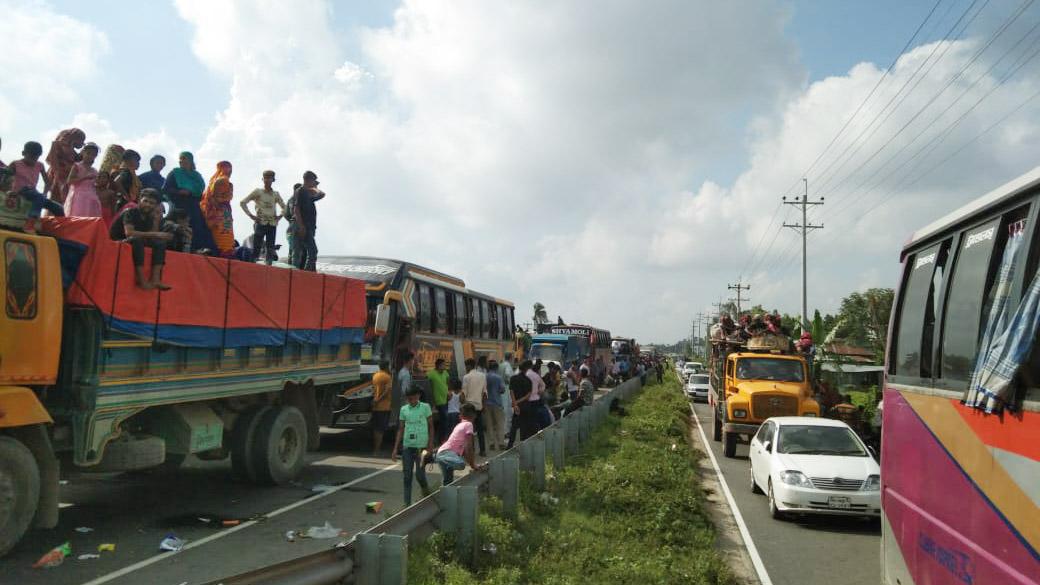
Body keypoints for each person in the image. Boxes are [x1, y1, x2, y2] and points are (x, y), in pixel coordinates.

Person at [109, 189, 171, 290]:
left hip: (136, 240)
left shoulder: (149, 216)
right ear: (139, 200)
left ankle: (155, 279)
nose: (148, 205)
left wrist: (156, 221)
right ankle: (141, 278)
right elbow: (129, 233)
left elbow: (152, 236)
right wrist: (156, 234)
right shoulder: (130, 212)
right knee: (137, 240)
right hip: (118, 241)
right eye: (145, 201)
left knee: (160, 243)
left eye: (151, 203)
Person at [163, 151, 216, 253]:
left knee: (199, 228)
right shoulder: (174, 173)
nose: (181, 161)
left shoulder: (197, 177)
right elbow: (165, 189)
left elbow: (201, 192)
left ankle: (199, 250)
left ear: (191, 161)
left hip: (194, 207)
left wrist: (191, 193)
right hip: (178, 207)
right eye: (180, 158)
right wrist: (179, 191)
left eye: (184, 158)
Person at [391, 386, 433, 506]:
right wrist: (395, 448)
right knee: (407, 477)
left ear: (418, 396)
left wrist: (430, 444)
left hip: (421, 447)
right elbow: (401, 429)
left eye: (414, 398)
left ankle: (427, 494)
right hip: (407, 447)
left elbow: (431, 426)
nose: (412, 400)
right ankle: (407, 504)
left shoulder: (425, 407)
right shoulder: (404, 409)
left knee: (420, 476)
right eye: (409, 399)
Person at [10, 141, 62, 233]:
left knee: (58, 207)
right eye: (31, 157)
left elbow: (47, 182)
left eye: (36, 157)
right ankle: (30, 223)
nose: (33, 160)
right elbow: (5, 178)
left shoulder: (40, 165)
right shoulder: (15, 164)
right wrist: (10, 191)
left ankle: (59, 229)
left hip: (34, 193)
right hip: (20, 191)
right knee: (37, 196)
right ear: (24, 153)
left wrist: (45, 193)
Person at [240, 170, 286, 265]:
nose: (267, 180)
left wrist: (280, 216)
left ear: (273, 180)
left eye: (269, 178)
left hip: (272, 224)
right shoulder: (258, 192)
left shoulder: (275, 194)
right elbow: (243, 202)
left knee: (270, 247)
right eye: (266, 178)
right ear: (263, 179)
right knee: (257, 247)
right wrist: (251, 215)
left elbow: (285, 208)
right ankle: (253, 265)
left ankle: (268, 266)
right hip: (260, 222)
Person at [435, 403, 479, 485]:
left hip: (446, 454)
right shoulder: (469, 424)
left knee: (448, 482)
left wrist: (472, 464)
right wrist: (473, 465)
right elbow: (469, 447)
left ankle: (445, 496)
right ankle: (432, 458)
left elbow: (465, 451)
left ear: (460, 416)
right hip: (447, 454)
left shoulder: (460, 425)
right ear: (474, 415)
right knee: (461, 464)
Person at [201, 161, 236, 257]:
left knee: (222, 239)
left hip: (218, 215)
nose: (230, 171)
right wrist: (225, 198)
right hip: (220, 214)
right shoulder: (222, 181)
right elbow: (218, 198)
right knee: (224, 241)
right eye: (228, 168)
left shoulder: (213, 182)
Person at [45, 128, 85, 206]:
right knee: (55, 200)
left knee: (67, 202)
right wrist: (59, 171)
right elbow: (50, 159)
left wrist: (82, 155)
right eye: (82, 140)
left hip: (67, 178)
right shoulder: (57, 145)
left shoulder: (74, 153)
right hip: (58, 176)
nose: (82, 143)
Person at [293, 171, 325, 271]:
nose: (314, 183)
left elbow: (322, 194)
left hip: (310, 226)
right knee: (312, 250)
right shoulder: (300, 191)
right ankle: (307, 273)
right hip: (303, 226)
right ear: (308, 180)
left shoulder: (308, 193)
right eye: (313, 180)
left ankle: (309, 271)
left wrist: (314, 188)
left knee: (308, 251)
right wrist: (301, 226)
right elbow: (296, 209)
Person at [63, 142, 101, 217]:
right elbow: (69, 181)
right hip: (78, 197)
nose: (90, 156)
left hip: (91, 199)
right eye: (88, 153)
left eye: (93, 155)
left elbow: (96, 185)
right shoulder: (77, 166)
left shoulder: (95, 171)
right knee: (77, 218)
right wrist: (85, 177)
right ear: (83, 153)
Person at [461, 358, 488, 456]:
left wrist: (462, 405)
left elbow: (463, 394)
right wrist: (484, 406)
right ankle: (483, 450)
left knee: (469, 431)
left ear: (468, 366)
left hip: (469, 408)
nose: (465, 368)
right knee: (480, 430)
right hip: (479, 407)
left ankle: (470, 451)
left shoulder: (466, 377)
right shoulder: (482, 376)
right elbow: (484, 393)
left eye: (466, 366)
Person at [426, 358, 451, 443]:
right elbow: (427, 385)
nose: (444, 367)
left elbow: (447, 382)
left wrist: (449, 392)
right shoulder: (431, 374)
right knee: (445, 419)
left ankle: (442, 438)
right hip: (438, 400)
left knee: (443, 420)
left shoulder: (445, 373)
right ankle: (443, 439)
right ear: (438, 365)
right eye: (443, 365)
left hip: (446, 399)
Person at [483, 360, 506, 451]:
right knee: (500, 424)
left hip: (487, 403)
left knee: (490, 425)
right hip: (497, 403)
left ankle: (491, 443)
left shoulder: (485, 377)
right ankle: (501, 443)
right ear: (496, 368)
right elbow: (502, 390)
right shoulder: (498, 377)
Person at [111, 149, 143, 214]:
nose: (138, 163)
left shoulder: (132, 174)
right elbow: (117, 181)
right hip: (123, 203)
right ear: (128, 160)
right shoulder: (126, 172)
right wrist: (127, 197)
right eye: (136, 160)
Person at [371, 361, 392, 456]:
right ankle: (377, 450)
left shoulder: (375, 376)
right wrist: (379, 399)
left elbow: (373, 389)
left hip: (376, 407)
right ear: (387, 366)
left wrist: (375, 400)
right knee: (381, 429)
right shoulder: (387, 377)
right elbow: (387, 391)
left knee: (376, 429)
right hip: (384, 406)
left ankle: (376, 449)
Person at [284, 182, 301, 267]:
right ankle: (294, 269)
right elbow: (286, 214)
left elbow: (285, 214)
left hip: (293, 227)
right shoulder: (294, 200)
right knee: (296, 249)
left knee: (293, 250)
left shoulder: (291, 200)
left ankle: (292, 268)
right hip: (295, 227)